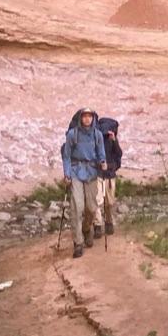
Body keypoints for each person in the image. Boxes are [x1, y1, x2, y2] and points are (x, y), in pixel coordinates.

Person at [60, 109, 108, 259]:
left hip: (92, 172)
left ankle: (87, 229)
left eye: (90, 116)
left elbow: (101, 152)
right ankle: (78, 243)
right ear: (80, 118)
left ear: (93, 118)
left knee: (92, 208)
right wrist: (67, 174)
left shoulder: (97, 134)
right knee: (76, 207)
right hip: (75, 172)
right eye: (84, 116)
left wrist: (103, 162)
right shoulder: (72, 135)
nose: (87, 119)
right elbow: (66, 156)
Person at [97, 117, 124, 235]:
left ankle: (109, 221)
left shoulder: (113, 140)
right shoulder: (97, 139)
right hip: (98, 174)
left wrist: (114, 141)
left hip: (110, 175)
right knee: (97, 201)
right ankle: (97, 224)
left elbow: (119, 154)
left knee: (109, 202)